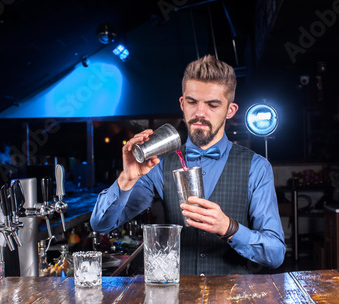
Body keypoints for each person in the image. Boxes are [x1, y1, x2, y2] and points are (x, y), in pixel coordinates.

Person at [90, 55, 286, 275]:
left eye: (212, 105)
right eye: (192, 102)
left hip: (235, 302)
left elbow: (275, 254)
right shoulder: (158, 163)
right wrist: (127, 178)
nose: (200, 113)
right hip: (176, 300)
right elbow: (101, 224)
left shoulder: (256, 167)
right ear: (182, 104)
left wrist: (229, 228)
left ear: (230, 111)